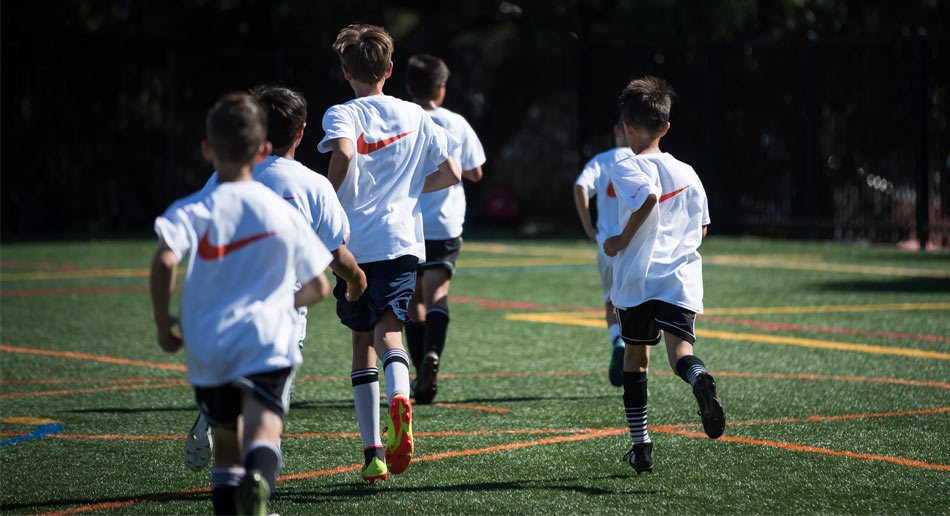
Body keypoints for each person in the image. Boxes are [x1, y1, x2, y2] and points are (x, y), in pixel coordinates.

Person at [150, 92, 332, 514]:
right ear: (265, 150)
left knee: (226, 447)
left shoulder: (195, 206)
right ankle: (260, 479)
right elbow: (319, 285)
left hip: (209, 343)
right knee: (263, 431)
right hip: (267, 340)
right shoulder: (282, 211)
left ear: (208, 149)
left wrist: (163, 324)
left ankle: (237, 491)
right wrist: (282, 306)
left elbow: (163, 261)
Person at [184, 85, 367, 473]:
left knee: (229, 403)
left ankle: (215, 421)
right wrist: (356, 280)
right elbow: (336, 253)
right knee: (267, 418)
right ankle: (259, 488)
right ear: (301, 132)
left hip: (224, 311)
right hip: (280, 320)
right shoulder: (314, 185)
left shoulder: (226, 178)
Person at [317, 24, 462, 483]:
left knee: (362, 345)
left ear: (345, 71)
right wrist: (412, 190)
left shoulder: (343, 113)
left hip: (354, 245)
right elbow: (453, 171)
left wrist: (326, 192)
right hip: (401, 241)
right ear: (390, 69)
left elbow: (341, 154)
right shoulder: (416, 114)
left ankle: (373, 452)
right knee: (391, 333)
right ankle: (401, 398)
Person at [602, 76, 725, 475]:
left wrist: (620, 240)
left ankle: (641, 447)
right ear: (666, 127)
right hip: (680, 278)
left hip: (639, 281)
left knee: (636, 359)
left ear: (626, 128)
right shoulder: (689, 172)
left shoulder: (628, 165)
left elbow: (649, 198)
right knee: (680, 356)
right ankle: (700, 378)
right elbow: (702, 228)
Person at [403, 54, 486, 404]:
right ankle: (432, 357)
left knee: (411, 302)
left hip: (407, 219)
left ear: (408, 87)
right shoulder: (455, 122)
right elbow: (475, 171)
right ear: (441, 88)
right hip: (445, 222)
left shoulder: (402, 118)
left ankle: (421, 365)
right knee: (437, 295)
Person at [573, 123, 633, 387]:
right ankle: (636, 372)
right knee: (639, 309)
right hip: (637, 246)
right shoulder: (646, 160)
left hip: (607, 246)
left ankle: (617, 341)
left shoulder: (602, 160)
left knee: (611, 304)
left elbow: (579, 188)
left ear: (618, 131)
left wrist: (588, 227)